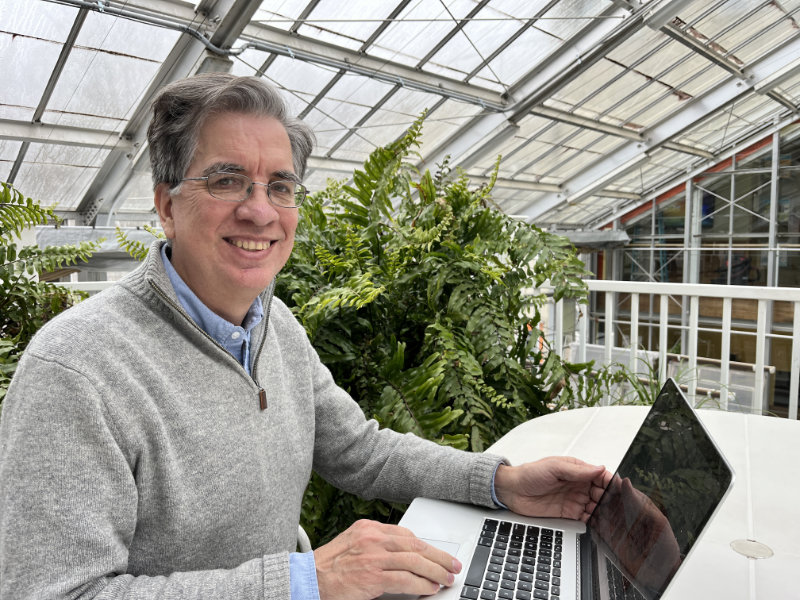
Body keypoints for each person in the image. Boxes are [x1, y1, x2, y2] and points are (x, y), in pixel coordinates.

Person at [0, 73, 610, 600]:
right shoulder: (77, 369)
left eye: (280, 187)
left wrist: (499, 482)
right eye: (227, 180)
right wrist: (303, 580)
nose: (260, 211)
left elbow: (360, 451)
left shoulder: (272, 323)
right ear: (166, 205)